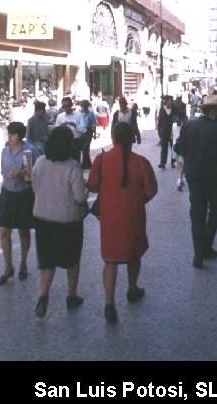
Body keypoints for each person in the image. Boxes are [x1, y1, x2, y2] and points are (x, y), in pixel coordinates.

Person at [87, 122, 158, 323]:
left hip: (109, 217)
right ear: (132, 139)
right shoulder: (141, 162)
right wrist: (137, 200)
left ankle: (109, 303)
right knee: (133, 255)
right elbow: (151, 190)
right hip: (133, 215)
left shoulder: (101, 160)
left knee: (110, 260)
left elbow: (92, 186)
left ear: (113, 138)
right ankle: (132, 289)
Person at [30, 126, 89, 317]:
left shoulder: (40, 162)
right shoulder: (72, 166)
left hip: (43, 218)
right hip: (68, 221)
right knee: (72, 260)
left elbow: (34, 185)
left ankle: (43, 295)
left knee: (47, 261)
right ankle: (72, 295)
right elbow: (80, 197)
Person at [176, 94, 217, 269]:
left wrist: (191, 157)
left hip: (194, 178)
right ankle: (205, 246)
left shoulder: (189, 125)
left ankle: (199, 253)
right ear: (214, 111)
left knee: (197, 216)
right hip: (215, 180)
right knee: (216, 213)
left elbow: (178, 147)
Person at [0, 122, 38, 285]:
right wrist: (9, 174)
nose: (10, 137)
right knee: (4, 230)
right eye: (9, 134)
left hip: (24, 192)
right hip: (8, 191)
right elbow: (2, 170)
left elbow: (35, 172)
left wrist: (22, 174)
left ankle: (23, 264)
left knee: (23, 229)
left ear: (20, 136)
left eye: (13, 134)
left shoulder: (30, 150)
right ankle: (8, 266)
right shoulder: (5, 151)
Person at [54, 96, 84, 162]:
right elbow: (56, 132)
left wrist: (74, 125)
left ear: (71, 105)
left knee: (76, 161)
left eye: (67, 106)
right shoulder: (60, 116)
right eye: (64, 106)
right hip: (64, 142)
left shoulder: (79, 115)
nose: (66, 108)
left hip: (75, 141)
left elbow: (82, 130)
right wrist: (61, 127)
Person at [156, 96, 175, 170]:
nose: (171, 102)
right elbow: (160, 121)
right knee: (164, 148)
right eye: (170, 101)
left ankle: (173, 162)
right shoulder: (162, 110)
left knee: (173, 147)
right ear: (166, 102)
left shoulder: (174, 110)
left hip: (172, 131)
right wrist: (159, 131)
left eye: (172, 101)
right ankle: (162, 163)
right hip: (164, 132)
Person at [79, 99, 97, 169]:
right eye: (82, 106)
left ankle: (84, 164)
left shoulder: (91, 114)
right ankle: (88, 164)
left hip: (88, 132)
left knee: (86, 148)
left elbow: (94, 124)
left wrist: (94, 133)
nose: (83, 107)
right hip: (81, 132)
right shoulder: (79, 113)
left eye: (85, 106)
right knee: (83, 148)